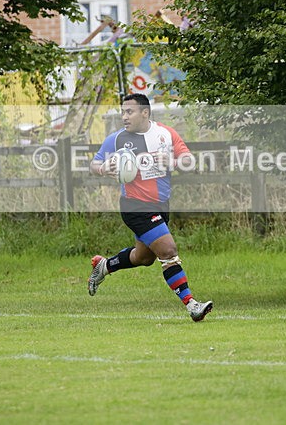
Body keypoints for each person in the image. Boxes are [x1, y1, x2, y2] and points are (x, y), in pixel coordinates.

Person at [87, 93, 213, 322]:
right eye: (123, 112)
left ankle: (104, 266)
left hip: (161, 206)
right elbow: (94, 164)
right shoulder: (116, 139)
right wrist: (104, 167)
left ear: (145, 112)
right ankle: (192, 305)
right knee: (168, 251)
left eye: (129, 111)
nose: (124, 116)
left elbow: (189, 161)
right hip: (134, 206)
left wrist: (173, 163)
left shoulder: (165, 134)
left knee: (143, 258)